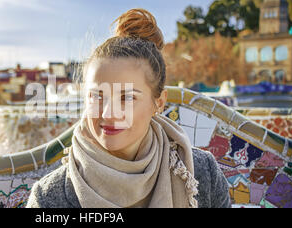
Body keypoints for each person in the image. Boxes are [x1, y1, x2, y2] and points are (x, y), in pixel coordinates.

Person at [26, 8, 231, 208]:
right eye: (97, 96)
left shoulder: (202, 174)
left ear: (158, 103)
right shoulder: (49, 198)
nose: (109, 113)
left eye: (127, 98)